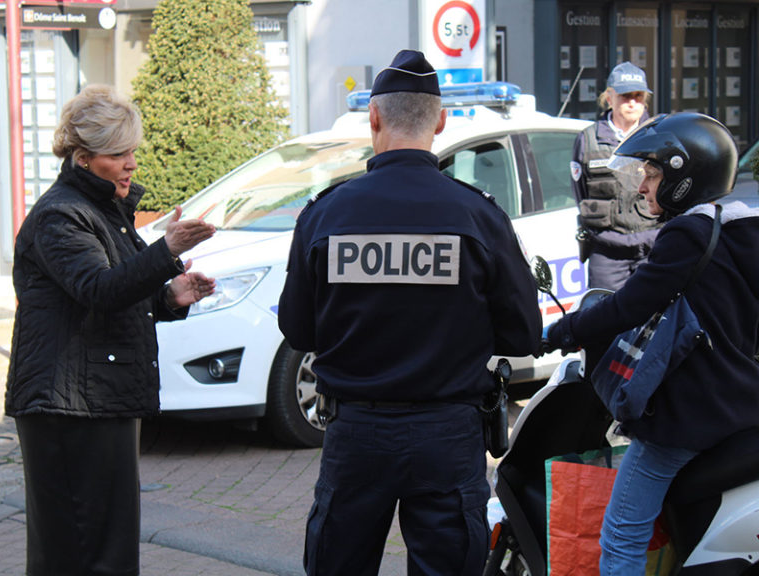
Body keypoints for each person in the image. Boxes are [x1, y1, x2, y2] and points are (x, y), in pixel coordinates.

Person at [278, 50, 542, 576]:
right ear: (441, 121)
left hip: (356, 434)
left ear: (373, 118)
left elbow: (298, 328)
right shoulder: (478, 215)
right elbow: (523, 334)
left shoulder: (326, 213)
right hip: (448, 436)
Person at [5, 84, 217, 576]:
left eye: (132, 152)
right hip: (68, 407)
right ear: (83, 158)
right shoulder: (61, 215)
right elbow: (98, 289)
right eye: (118, 154)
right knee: (82, 553)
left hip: (96, 398)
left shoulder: (103, 212)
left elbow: (115, 294)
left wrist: (169, 297)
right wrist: (164, 253)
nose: (131, 164)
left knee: (105, 550)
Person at [546, 112, 759, 575]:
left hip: (687, 417)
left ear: (685, 176)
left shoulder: (689, 233)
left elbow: (628, 306)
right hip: (740, 406)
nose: (642, 185)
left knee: (622, 533)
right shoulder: (741, 229)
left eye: (653, 172)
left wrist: (561, 332)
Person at [571, 61, 661, 290]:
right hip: (608, 251)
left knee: (659, 319)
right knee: (604, 319)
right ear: (609, 98)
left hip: (654, 246)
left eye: (638, 96)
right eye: (625, 96)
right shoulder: (588, 139)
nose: (632, 102)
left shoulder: (660, 133)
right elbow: (580, 191)